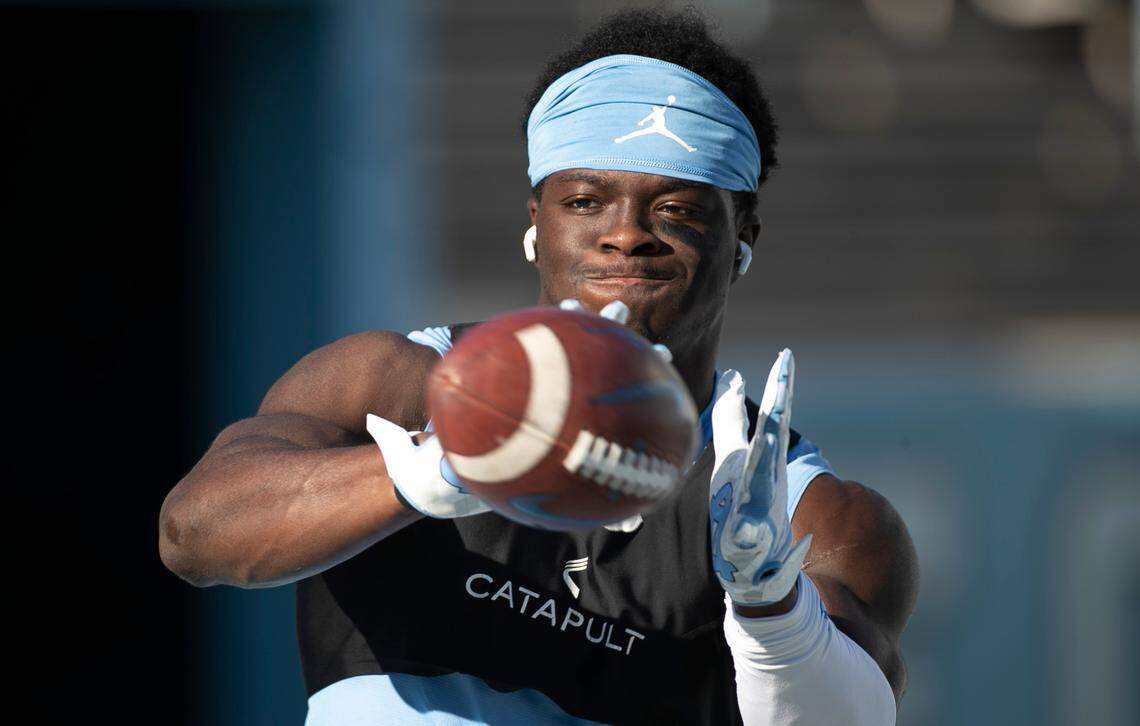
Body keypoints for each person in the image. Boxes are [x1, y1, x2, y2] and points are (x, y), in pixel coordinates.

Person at [159, 8, 918, 724]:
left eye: (678, 210)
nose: (626, 234)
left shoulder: (800, 508)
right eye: (585, 201)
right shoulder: (395, 385)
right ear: (536, 222)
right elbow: (193, 535)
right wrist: (435, 469)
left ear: (743, 235)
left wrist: (774, 612)